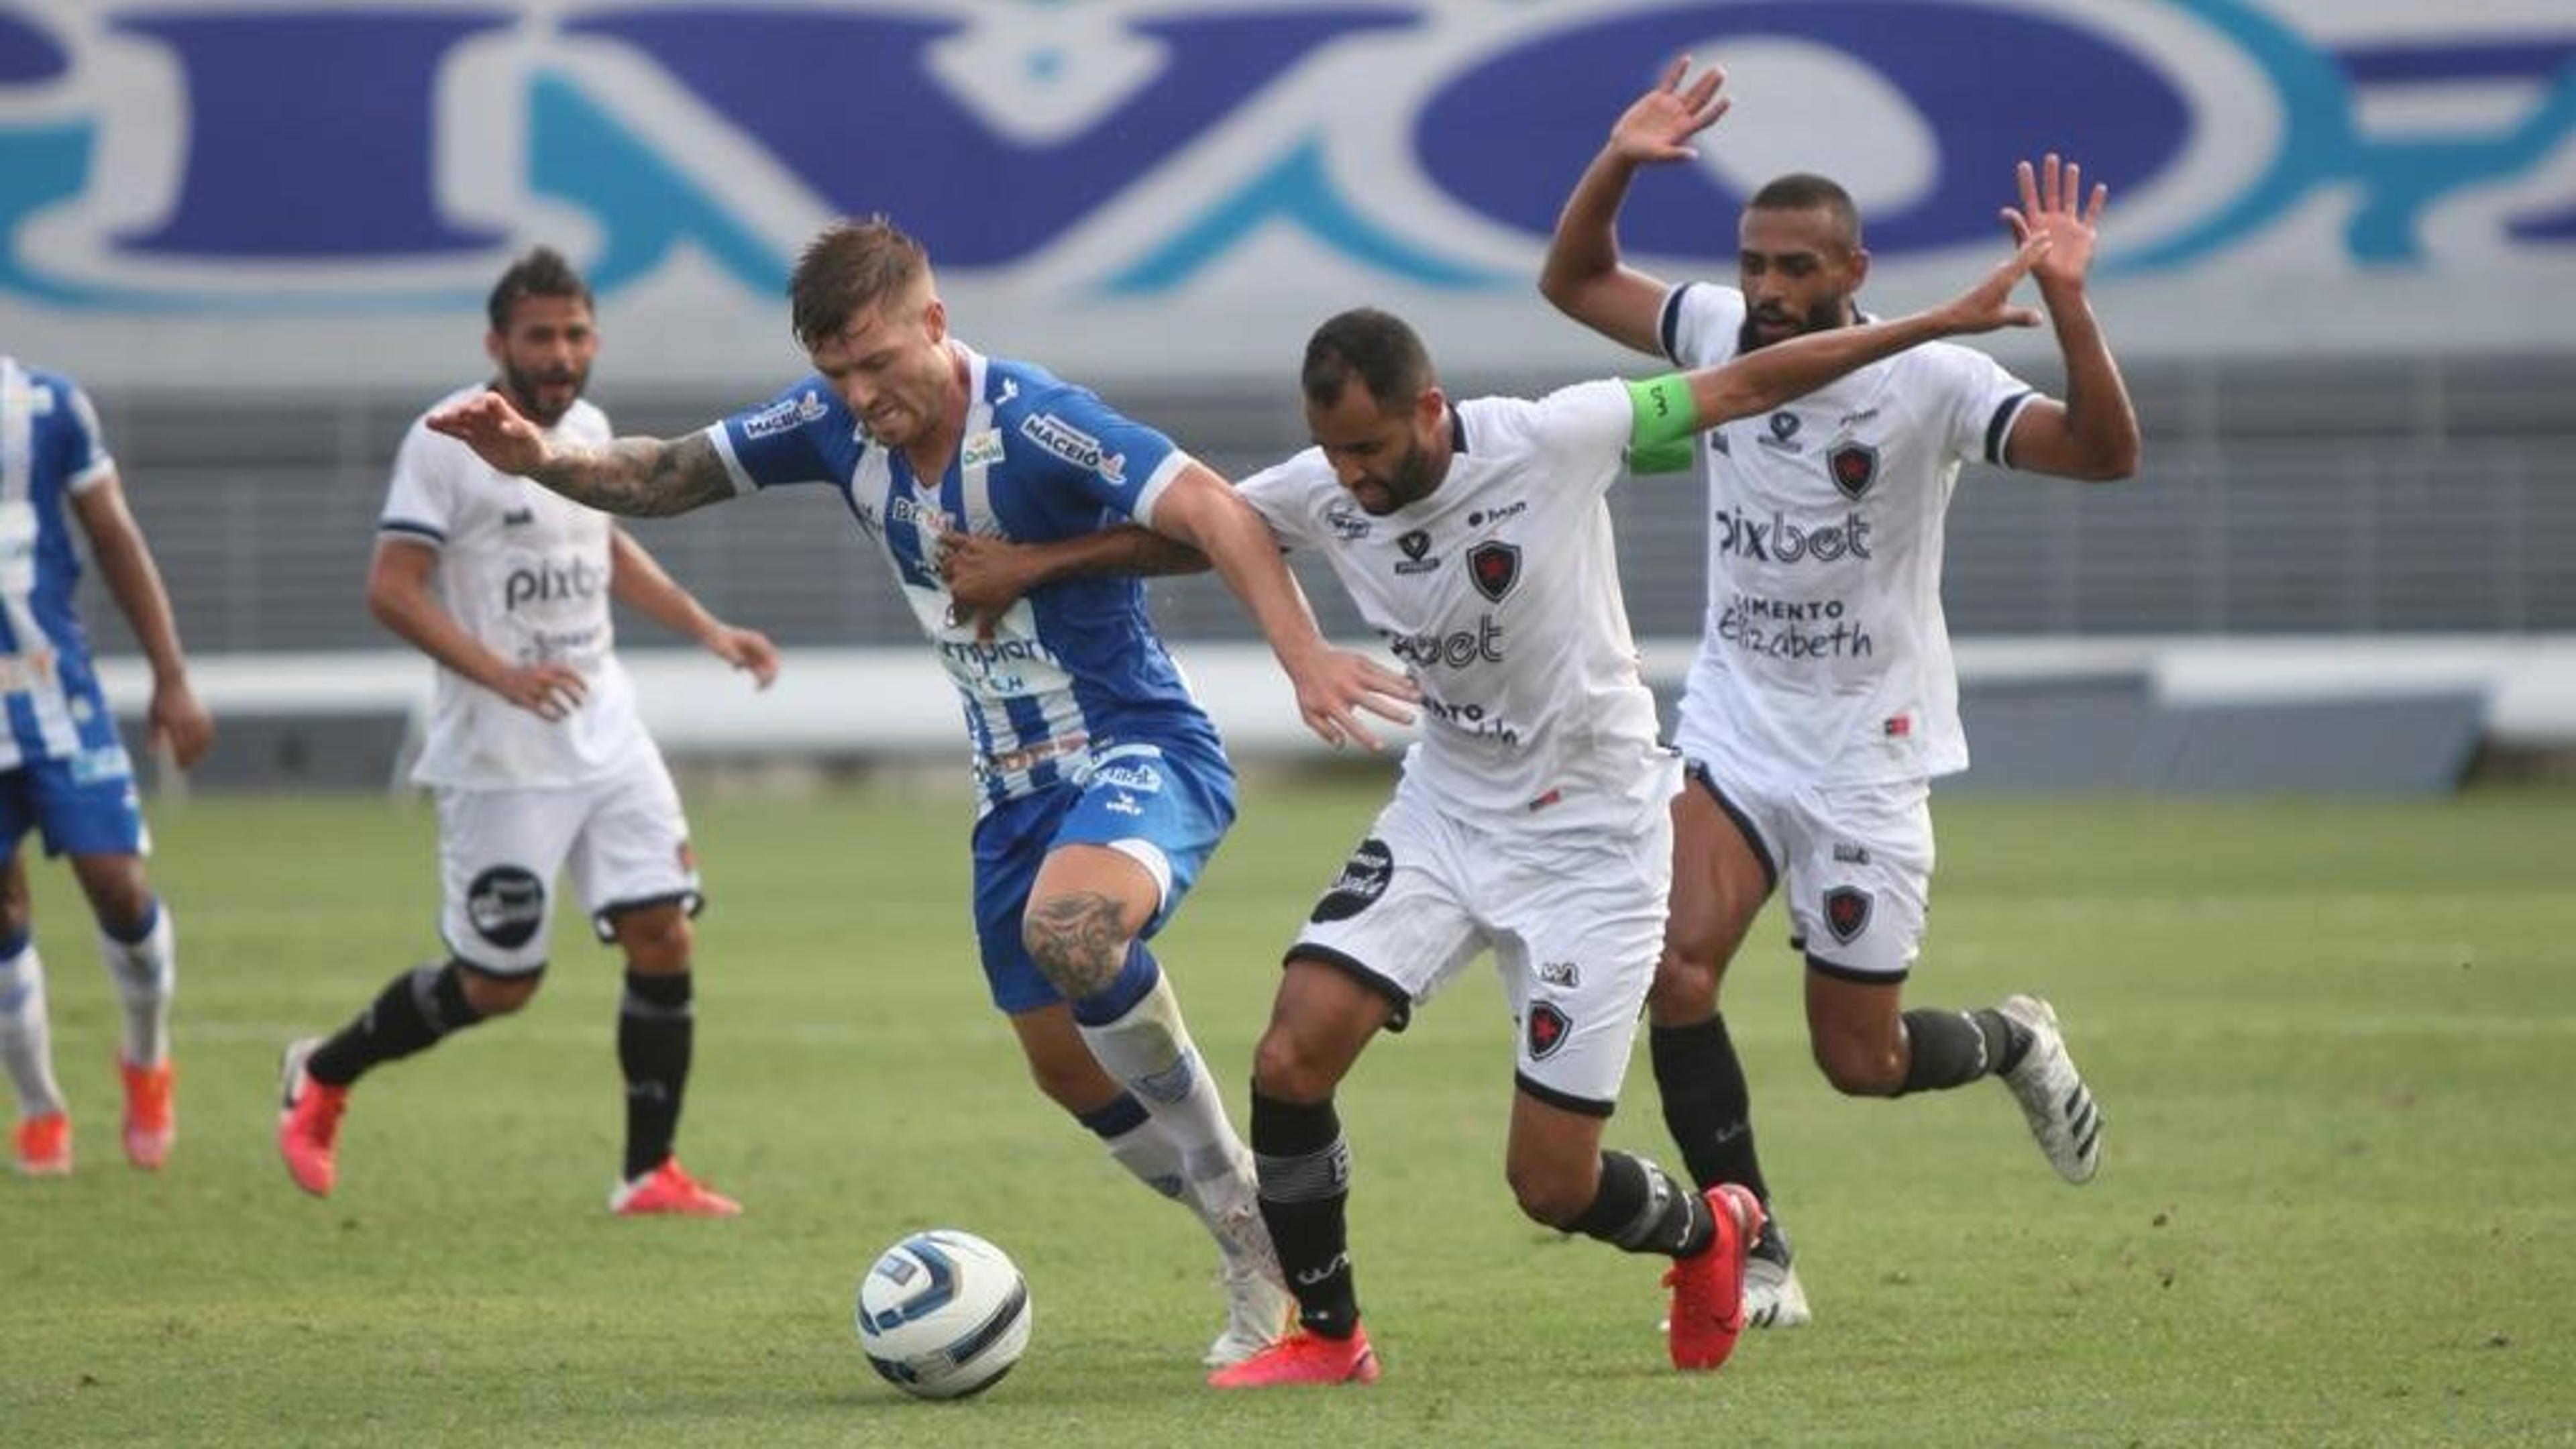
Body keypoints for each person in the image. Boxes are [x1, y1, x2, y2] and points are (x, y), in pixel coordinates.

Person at [940, 244, 2055, 1385]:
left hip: (1600, 844)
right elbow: (1195, 532)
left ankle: (1711, 1233)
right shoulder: (1329, 486)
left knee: (1553, 1184)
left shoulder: (1554, 436)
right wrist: (1033, 566)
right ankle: (1331, 1338)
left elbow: (1753, 385)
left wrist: (1930, 324)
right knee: (1292, 1051)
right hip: (1448, 811)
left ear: (1429, 406)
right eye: (1333, 453)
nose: (1353, 479)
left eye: (1370, 449)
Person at [420, 219, 1414, 1366]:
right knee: (1062, 1068)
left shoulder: (1038, 421)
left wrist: (1300, 654)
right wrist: (544, 461)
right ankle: (1246, 1238)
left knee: (1074, 933)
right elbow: (671, 472)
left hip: (1135, 744)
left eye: (880, 363)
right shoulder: (834, 426)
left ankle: (1242, 1204)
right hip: (1011, 797)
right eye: (836, 373)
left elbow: (1212, 508)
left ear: (935, 326)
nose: (861, 394)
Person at [1538, 58, 2143, 1327]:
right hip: (1739, 728)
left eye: (1795, 269)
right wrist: (1617, 160)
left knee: (1858, 1062)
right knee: (1677, 975)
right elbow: (1575, 280)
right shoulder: (1713, 333)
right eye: (1755, 264)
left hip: (1871, 745)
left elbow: (2101, 455)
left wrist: (2072, 307)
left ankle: (2015, 1041)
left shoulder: (1932, 378)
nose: (1765, 291)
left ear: (1852, 274)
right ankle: (1754, 1250)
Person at [276, 247, 780, 1217]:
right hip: (501, 754)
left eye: (576, 333)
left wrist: (707, 628)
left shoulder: (586, 430)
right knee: (499, 984)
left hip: (607, 730)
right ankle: (323, 1070)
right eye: (540, 335)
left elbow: (602, 545)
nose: (561, 353)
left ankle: (647, 1174)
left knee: (662, 932)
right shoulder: (448, 440)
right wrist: (503, 676)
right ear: (497, 343)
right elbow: (391, 591)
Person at [0, 358, 214, 1176]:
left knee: (117, 882)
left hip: (55, 695)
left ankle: (147, 1060)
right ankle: (41, 1107)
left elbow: (114, 534)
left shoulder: (46, 405)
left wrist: (172, 675)